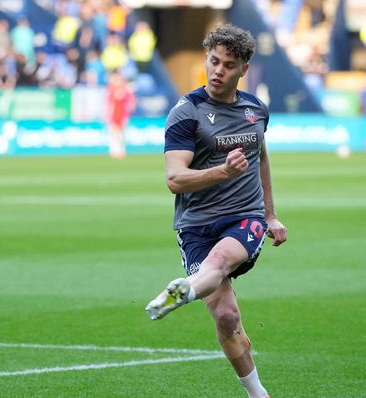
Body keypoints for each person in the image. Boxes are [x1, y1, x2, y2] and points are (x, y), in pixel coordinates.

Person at [144, 24, 287, 398]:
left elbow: (261, 158)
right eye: (213, 61)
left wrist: (270, 215)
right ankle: (259, 392)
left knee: (222, 258)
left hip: (244, 216)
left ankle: (183, 292)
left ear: (243, 69)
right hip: (195, 225)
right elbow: (175, 179)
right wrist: (222, 171)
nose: (218, 70)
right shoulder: (186, 112)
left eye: (228, 64)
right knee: (226, 317)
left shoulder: (255, 110)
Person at [106, 70, 135, 159]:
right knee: (114, 133)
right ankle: (114, 151)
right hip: (114, 115)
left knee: (121, 133)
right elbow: (109, 104)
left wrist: (129, 109)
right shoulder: (111, 89)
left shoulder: (125, 89)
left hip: (123, 115)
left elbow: (131, 102)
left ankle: (121, 150)